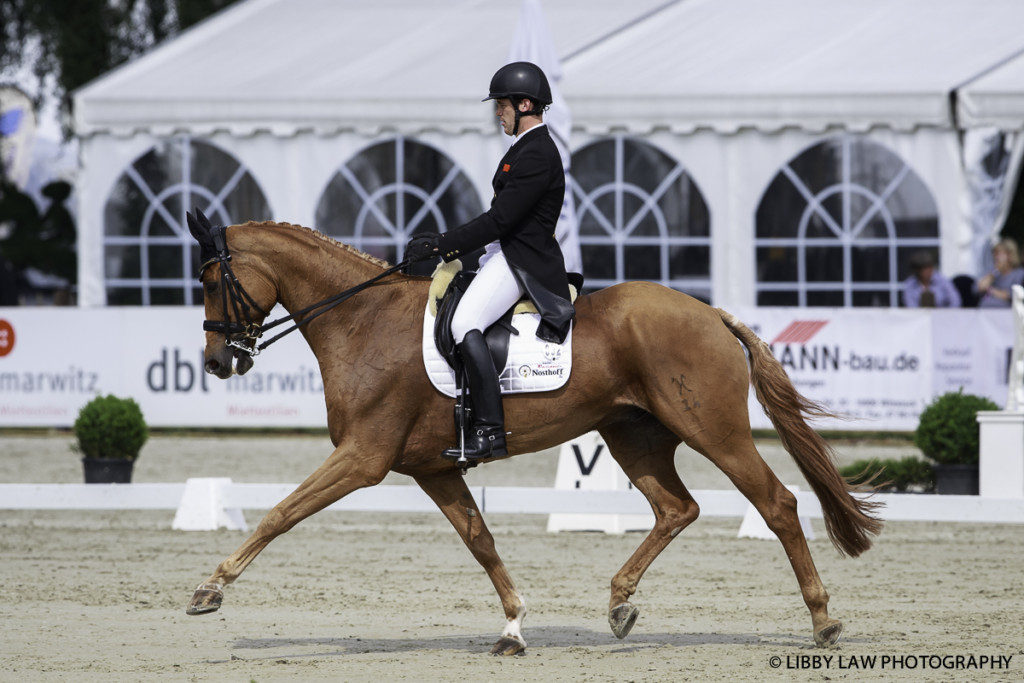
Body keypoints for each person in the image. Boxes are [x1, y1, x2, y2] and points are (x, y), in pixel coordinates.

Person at [404, 61, 574, 461]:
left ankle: (490, 432)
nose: (498, 112)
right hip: (506, 254)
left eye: (502, 105)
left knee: (465, 323)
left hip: (522, 261)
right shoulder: (525, 150)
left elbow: (501, 220)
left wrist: (442, 245)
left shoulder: (537, 153)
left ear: (525, 104)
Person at [976, 238, 1024, 308]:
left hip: (1006, 313)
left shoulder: (1019, 274)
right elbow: (979, 288)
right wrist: (994, 272)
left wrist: (990, 290)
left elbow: (1012, 295)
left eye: (998, 254)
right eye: (994, 254)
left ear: (1010, 255)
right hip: (984, 311)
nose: (996, 257)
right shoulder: (993, 272)